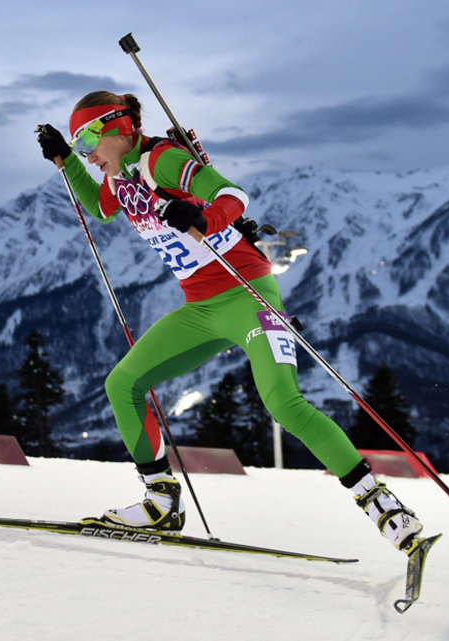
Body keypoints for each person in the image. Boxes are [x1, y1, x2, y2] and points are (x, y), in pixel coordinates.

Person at [36, 91, 425, 554]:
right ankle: (160, 501)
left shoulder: (163, 160)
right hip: (200, 308)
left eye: (87, 143)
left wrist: (203, 214)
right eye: (81, 148)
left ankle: (382, 506)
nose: (89, 155)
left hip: (247, 295)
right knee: (123, 384)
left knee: (285, 404)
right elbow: (100, 209)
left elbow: (232, 194)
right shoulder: (117, 175)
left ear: (117, 128)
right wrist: (64, 161)